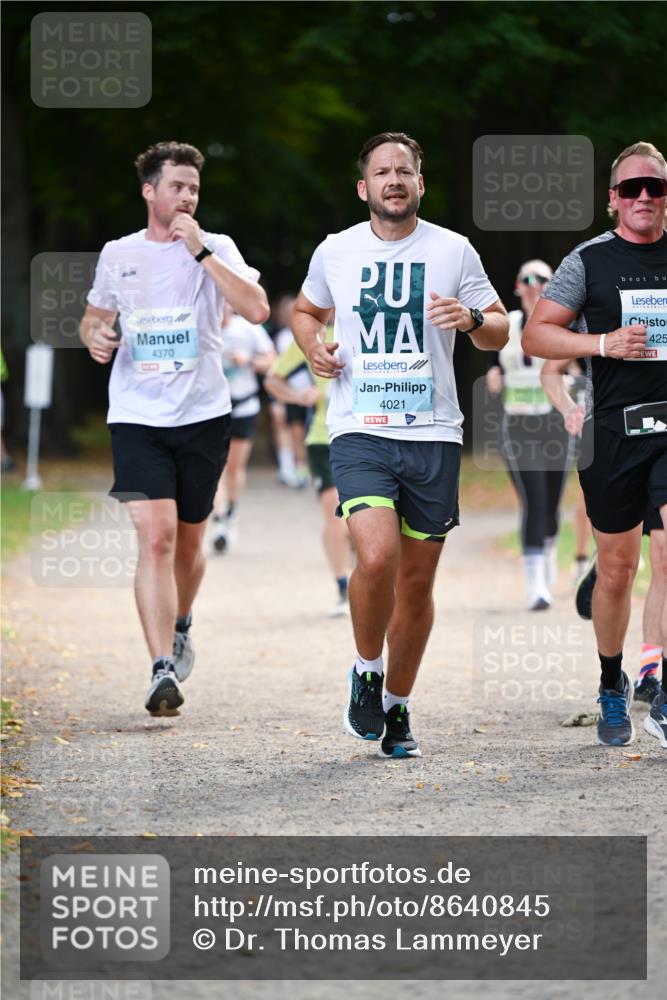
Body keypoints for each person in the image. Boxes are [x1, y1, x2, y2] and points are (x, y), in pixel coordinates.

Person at [292, 132, 509, 758]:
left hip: (433, 433)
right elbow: (305, 313)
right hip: (360, 427)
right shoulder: (336, 250)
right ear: (364, 187)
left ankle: (397, 705)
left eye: (405, 171)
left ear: (420, 184)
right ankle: (367, 669)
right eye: (383, 171)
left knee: (416, 582)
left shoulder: (453, 249)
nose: (394, 180)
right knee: (378, 555)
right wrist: (313, 347)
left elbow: (499, 329)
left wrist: (471, 319)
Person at [80, 141, 269, 716]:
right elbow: (95, 317)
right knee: (156, 538)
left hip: (203, 414)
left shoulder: (217, 247)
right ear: (149, 191)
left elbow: (257, 309)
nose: (187, 197)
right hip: (137, 417)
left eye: (194, 189)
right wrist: (95, 336)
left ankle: (182, 621)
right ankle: (161, 666)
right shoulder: (118, 253)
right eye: (177, 186)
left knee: (189, 543)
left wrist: (201, 250)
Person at [523, 141, 667, 749]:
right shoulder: (589, 260)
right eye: (632, 188)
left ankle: (662, 686)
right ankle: (612, 680)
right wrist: (603, 344)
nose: (644, 197)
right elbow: (536, 336)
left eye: (655, 187)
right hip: (612, 433)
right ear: (613, 199)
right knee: (616, 570)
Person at [486, 259, 575, 610]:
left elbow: (580, 367)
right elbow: (493, 366)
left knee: (551, 504)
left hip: (555, 424)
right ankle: (536, 584)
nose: (534, 283)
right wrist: (494, 377)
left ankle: (549, 552)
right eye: (527, 278)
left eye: (542, 278)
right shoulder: (506, 325)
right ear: (517, 286)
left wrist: (573, 379)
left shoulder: (564, 322)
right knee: (534, 500)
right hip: (519, 426)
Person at [264, 328, 352, 617]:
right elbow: (272, 380)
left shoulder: (375, 324)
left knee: (366, 518)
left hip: (370, 436)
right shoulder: (313, 336)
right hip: (323, 437)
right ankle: (344, 586)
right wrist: (298, 396)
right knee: (335, 512)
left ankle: (366, 572)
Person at [211, 302, 276, 553]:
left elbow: (272, 359)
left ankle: (231, 511)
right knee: (215, 467)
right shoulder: (201, 325)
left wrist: (247, 361)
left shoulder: (248, 328)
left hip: (243, 406)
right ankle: (218, 520)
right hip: (212, 409)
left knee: (234, 467)